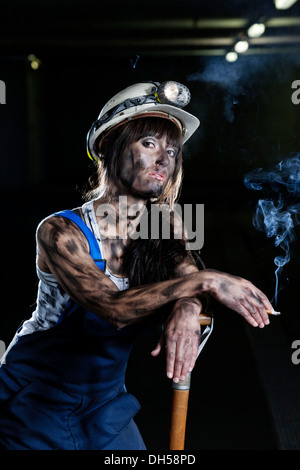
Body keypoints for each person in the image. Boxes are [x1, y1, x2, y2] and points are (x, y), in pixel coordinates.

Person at [0, 81, 273, 450]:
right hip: (33, 406)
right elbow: (115, 310)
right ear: (109, 147)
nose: (164, 159)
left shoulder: (167, 222)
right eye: (149, 143)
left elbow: (189, 280)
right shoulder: (61, 231)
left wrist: (189, 306)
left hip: (105, 409)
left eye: (173, 151)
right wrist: (207, 281)